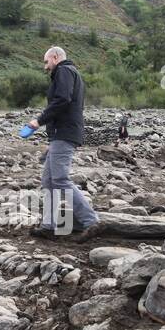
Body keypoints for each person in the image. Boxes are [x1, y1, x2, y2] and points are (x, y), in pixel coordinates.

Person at [26, 46, 102, 241]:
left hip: (64, 133)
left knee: (60, 179)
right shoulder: (71, 73)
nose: (45, 67)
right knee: (49, 181)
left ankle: (91, 220)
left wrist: (38, 120)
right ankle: (49, 226)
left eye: (46, 62)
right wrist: (52, 140)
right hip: (61, 134)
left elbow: (62, 100)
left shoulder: (64, 70)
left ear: (56, 57)